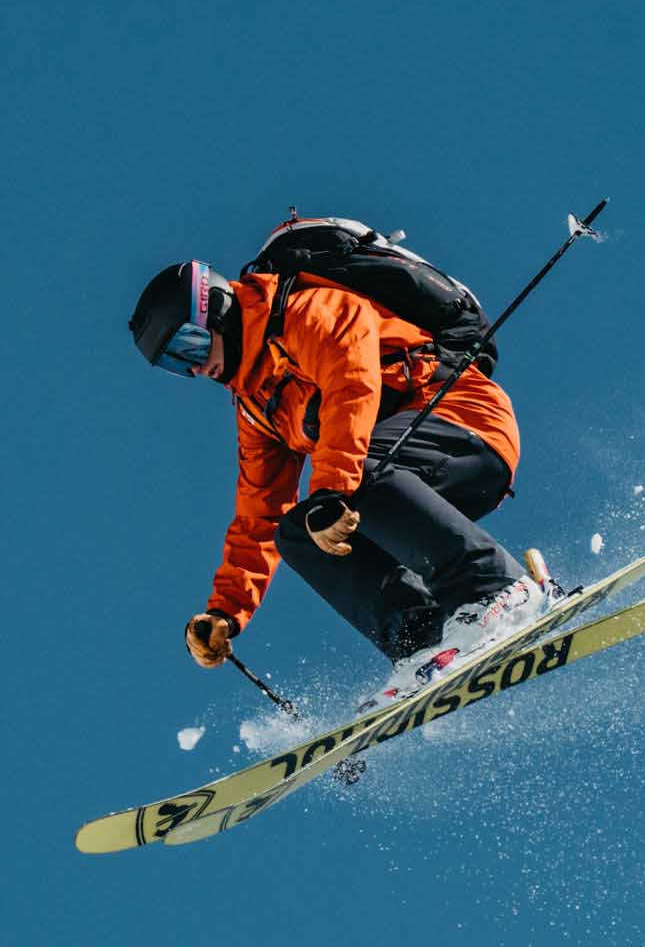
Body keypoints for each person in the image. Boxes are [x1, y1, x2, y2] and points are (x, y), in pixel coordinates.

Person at [126, 241, 547, 691]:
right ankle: (426, 641)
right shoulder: (257, 402)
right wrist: (225, 610)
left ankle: (496, 588)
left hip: (464, 425)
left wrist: (331, 491)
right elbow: (258, 514)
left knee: (355, 477)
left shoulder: (306, 311)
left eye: (189, 345)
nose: (193, 369)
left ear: (219, 309)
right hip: (398, 485)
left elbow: (353, 383)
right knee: (296, 532)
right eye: (175, 364)